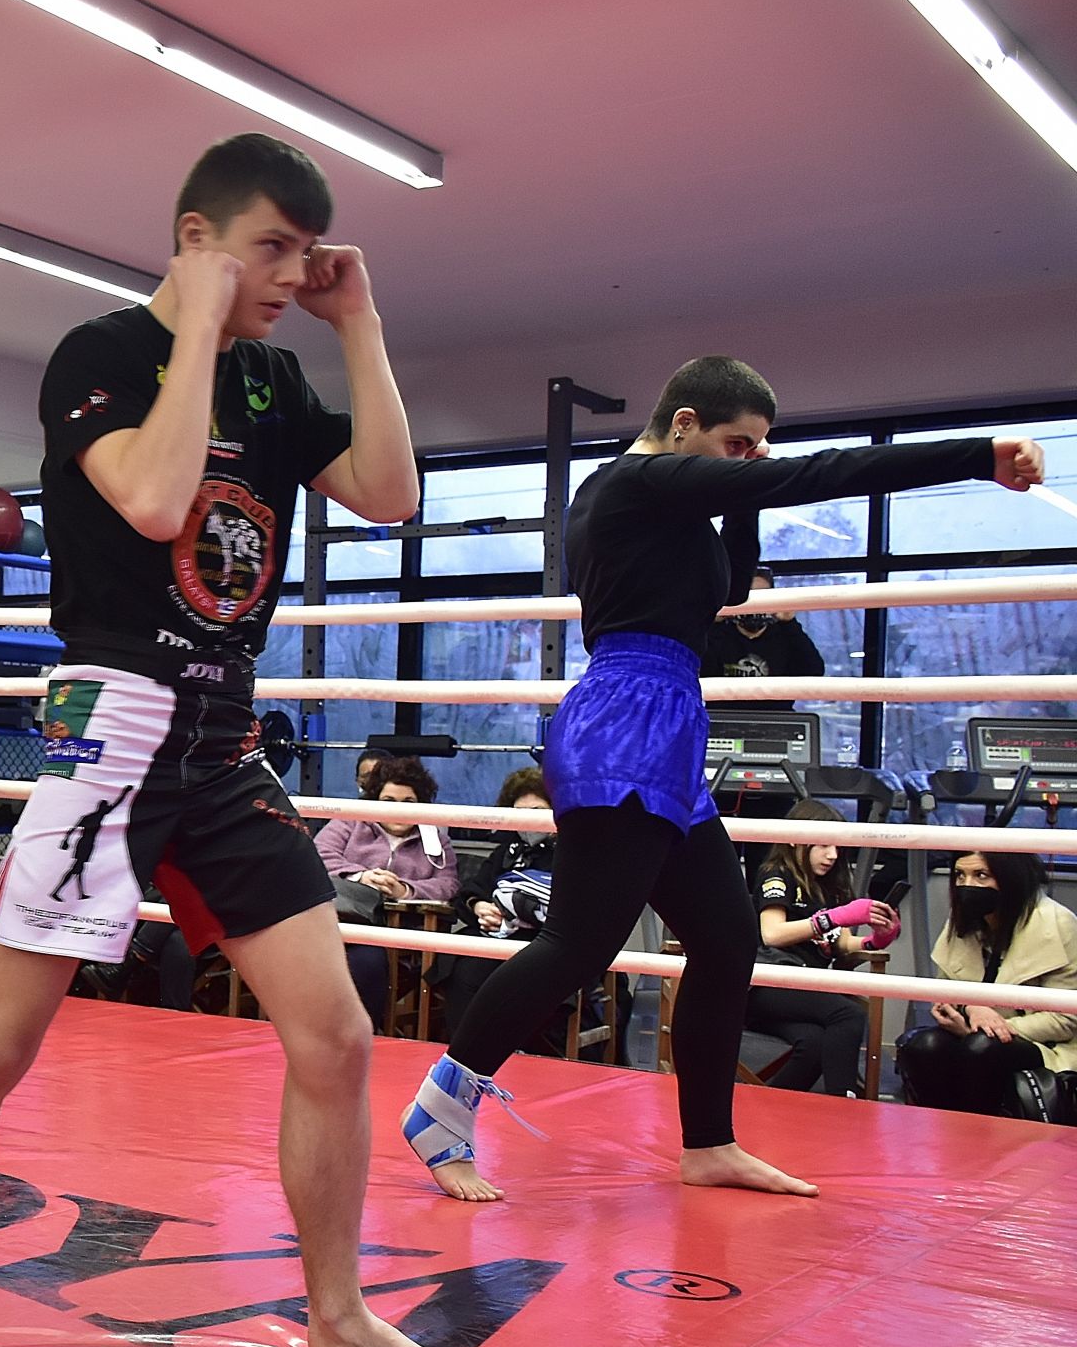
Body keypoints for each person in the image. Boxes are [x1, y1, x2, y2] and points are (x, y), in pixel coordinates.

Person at [0, 133, 467, 1347]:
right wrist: (195, 324)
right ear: (195, 238)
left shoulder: (274, 378)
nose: (291, 273)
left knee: (337, 1036)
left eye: (306, 251)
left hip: (225, 737)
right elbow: (152, 500)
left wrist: (359, 326)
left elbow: (390, 492)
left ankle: (337, 1310)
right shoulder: (103, 354)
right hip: (112, 728)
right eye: (269, 248)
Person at [405, 355, 1046, 1202]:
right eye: (735, 444)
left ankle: (708, 1143)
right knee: (581, 942)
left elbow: (732, 587)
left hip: (668, 725)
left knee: (726, 937)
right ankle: (440, 1107)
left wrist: (742, 494)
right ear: (683, 425)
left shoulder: (677, 513)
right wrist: (975, 456)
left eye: (754, 451)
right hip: (625, 717)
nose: (747, 460)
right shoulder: (634, 482)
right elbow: (821, 474)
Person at [895, 852, 1077, 1115]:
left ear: (1010, 878)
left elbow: (1065, 1020)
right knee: (923, 1046)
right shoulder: (964, 918)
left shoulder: (1057, 924)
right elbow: (945, 992)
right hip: (972, 1031)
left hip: (1045, 1044)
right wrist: (970, 1010)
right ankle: (949, 1131)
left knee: (980, 1048)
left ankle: (978, 1134)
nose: (967, 885)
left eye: (981, 875)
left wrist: (988, 1029)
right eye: (960, 875)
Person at [426, 767, 588, 1058]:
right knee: (460, 967)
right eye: (520, 812)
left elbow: (579, 909)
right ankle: (466, 1055)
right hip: (496, 940)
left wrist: (521, 914)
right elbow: (472, 890)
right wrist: (480, 907)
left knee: (520, 977)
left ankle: (518, 1053)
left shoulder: (574, 851)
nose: (528, 820)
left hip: (544, 941)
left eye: (537, 811)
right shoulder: (506, 851)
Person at [747, 801, 893, 1097]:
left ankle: (766, 1107)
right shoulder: (777, 874)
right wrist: (832, 918)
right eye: (824, 845)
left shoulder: (832, 884)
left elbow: (842, 943)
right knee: (849, 1015)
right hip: (766, 985)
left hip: (805, 986)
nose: (833, 855)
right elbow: (772, 933)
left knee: (815, 1043)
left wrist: (877, 939)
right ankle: (844, 1105)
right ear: (795, 839)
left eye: (837, 846)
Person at [312, 755, 457, 1018]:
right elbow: (318, 855)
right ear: (374, 800)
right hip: (342, 927)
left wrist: (405, 890)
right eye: (388, 801)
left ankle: (362, 1035)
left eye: (408, 803)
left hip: (400, 939)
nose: (398, 810)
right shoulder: (351, 821)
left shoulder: (435, 839)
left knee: (365, 964)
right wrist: (361, 877)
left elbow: (448, 884)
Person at [700, 565, 823, 713]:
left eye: (762, 596)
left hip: (777, 719)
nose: (756, 604)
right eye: (750, 596)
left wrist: (790, 624)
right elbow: (700, 671)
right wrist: (715, 625)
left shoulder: (785, 635)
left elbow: (814, 671)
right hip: (726, 718)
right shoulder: (721, 635)